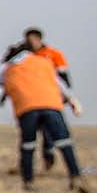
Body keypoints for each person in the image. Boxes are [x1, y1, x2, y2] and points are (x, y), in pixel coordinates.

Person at [0, 44, 89, 193]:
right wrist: (73, 101)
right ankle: (75, 177)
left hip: (27, 109)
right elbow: (59, 84)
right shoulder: (44, 63)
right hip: (51, 106)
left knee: (28, 145)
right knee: (64, 142)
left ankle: (28, 181)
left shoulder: (10, 68)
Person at [22, 28, 72, 171]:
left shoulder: (54, 55)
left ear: (38, 39)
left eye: (30, 40)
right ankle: (29, 164)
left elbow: (63, 77)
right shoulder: (26, 56)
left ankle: (48, 156)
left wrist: (67, 95)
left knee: (49, 130)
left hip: (51, 97)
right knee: (31, 132)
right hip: (31, 100)